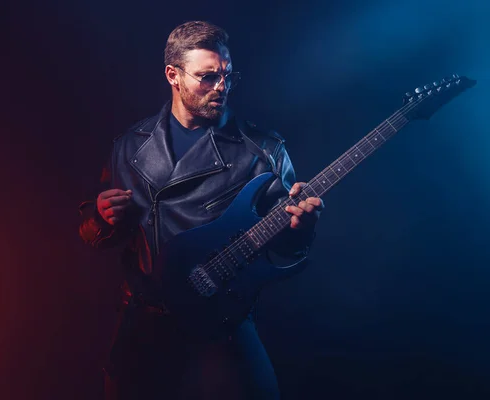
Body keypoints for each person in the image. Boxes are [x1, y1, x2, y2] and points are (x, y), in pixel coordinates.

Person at [78, 20, 324, 400]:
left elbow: (281, 253)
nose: (221, 87)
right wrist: (99, 217)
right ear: (173, 75)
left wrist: (300, 229)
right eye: (208, 77)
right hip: (144, 328)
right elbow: (98, 237)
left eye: (227, 75)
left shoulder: (263, 150)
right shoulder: (128, 146)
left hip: (220, 328)